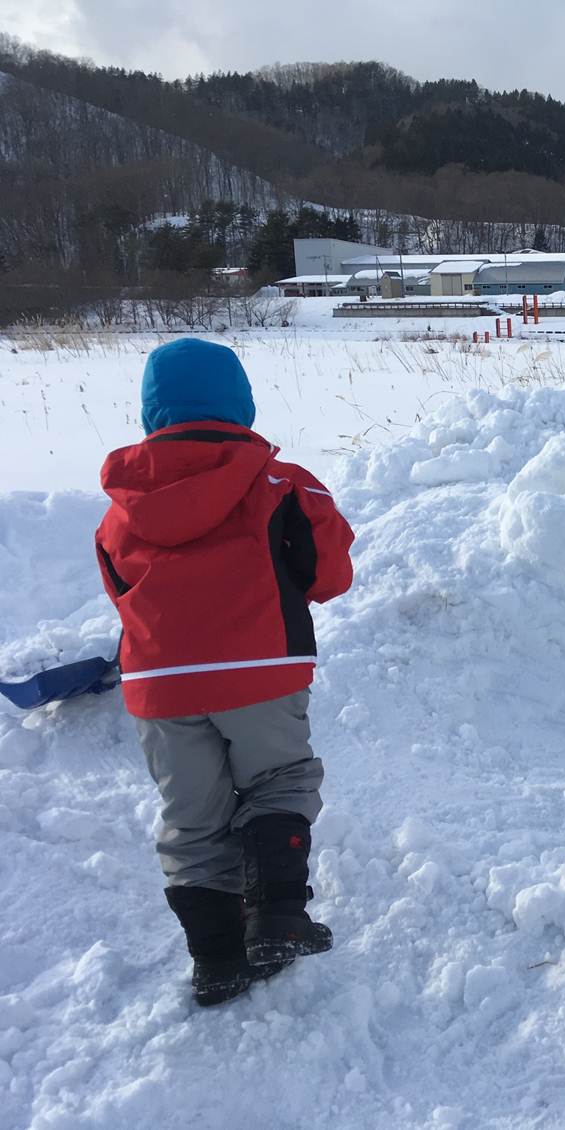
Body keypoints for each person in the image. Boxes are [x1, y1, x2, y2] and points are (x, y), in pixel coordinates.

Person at [95, 338, 355, 1006]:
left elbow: (119, 587)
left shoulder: (121, 508)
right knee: (279, 780)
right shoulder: (282, 484)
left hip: (160, 686)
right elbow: (331, 575)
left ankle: (215, 960)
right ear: (241, 405)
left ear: (154, 412)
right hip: (259, 668)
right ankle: (276, 920)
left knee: (192, 817)